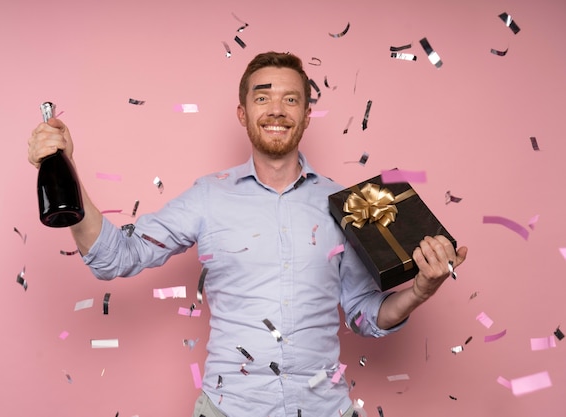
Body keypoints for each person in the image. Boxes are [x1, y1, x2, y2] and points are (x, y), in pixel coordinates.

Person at [28, 51, 467, 417]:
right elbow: (115, 257)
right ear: (243, 113)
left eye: (291, 99)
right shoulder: (207, 197)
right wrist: (66, 167)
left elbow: (363, 315)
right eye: (263, 97)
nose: (277, 109)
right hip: (228, 408)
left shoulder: (351, 204)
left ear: (307, 114)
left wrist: (420, 290)